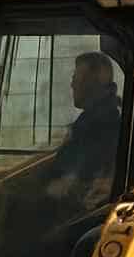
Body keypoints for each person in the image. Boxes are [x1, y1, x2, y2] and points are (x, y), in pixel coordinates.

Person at [43, 51, 121, 207]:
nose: (72, 85)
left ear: (94, 83)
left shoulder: (101, 126)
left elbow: (76, 179)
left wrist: (49, 190)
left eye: (76, 79)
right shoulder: (93, 119)